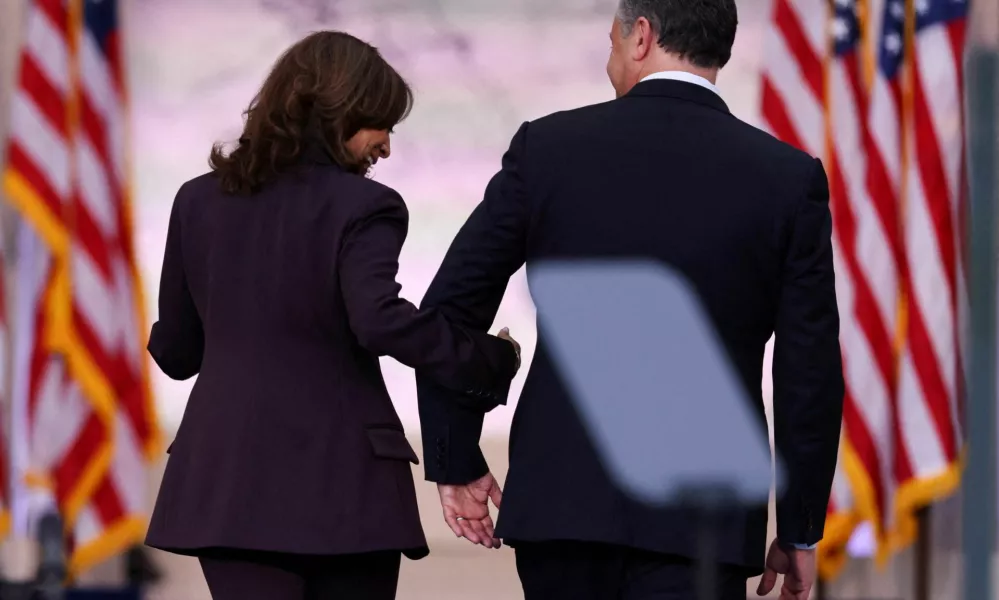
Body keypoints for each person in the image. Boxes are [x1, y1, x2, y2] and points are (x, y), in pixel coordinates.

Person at [415, 1, 845, 599]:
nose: (610, 57)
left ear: (640, 36)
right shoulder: (788, 179)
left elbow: (448, 314)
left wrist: (455, 454)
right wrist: (798, 527)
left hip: (563, 509)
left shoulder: (549, 150)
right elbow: (809, 369)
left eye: (612, 41)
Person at [143, 31, 520, 600]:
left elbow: (175, 353)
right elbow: (379, 319)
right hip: (345, 491)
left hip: (228, 486)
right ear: (335, 111)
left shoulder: (196, 200)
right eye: (380, 124)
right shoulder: (366, 205)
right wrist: (490, 358)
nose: (387, 146)